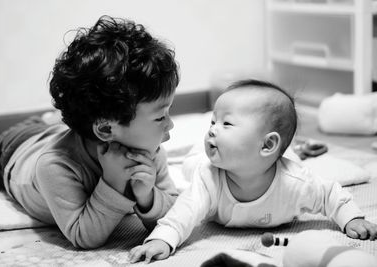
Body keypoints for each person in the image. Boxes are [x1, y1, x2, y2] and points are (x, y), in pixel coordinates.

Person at [0, 15, 180, 249]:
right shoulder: (55, 165)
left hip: (60, 132)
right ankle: (43, 123)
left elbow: (176, 213)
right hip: (12, 154)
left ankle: (49, 121)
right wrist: (113, 182)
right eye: (160, 116)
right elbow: (83, 236)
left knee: (57, 126)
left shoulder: (149, 152)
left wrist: (148, 198)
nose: (171, 125)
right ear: (105, 128)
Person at [129, 79, 377, 263]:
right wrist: (163, 239)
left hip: (276, 159)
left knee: (289, 160)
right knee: (191, 164)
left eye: (226, 123)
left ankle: (293, 150)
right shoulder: (208, 177)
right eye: (212, 121)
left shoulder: (295, 182)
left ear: (268, 144)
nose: (213, 129)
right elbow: (183, 213)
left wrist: (351, 218)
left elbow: (329, 194)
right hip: (205, 161)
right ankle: (194, 153)